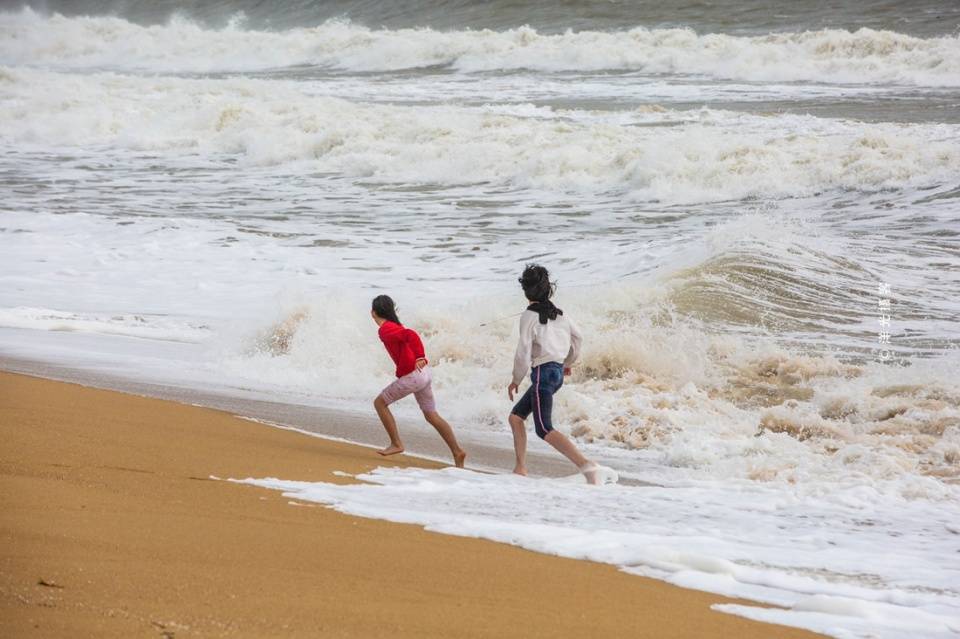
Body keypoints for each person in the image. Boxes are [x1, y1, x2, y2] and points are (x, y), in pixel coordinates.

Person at [507, 264, 612, 485]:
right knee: (516, 417)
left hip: (543, 374)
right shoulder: (561, 314)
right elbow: (578, 338)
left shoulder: (528, 316)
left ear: (526, 292)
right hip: (556, 373)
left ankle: (587, 466)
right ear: (548, 290)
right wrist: (567, 362)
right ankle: (520, 469)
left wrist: (516, 379)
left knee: (544, 428)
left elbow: (523, 352)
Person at [371, 294, 466, 468]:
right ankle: (457, 451)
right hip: (423, 374)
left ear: (373, 313)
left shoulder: (386, 329)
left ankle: (396, 443)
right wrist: (419, 357)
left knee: (379, 404)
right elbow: (408, 337)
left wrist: (421, 355)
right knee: (431, 415)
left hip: (412, 377)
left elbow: (410, 335)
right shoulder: (395, 326)